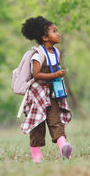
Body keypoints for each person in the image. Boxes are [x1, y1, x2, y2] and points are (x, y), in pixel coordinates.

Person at [20, 16, 72, 163]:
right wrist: (54, 74)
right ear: (45, 37)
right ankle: (36, 155)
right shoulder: (38, 55)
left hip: (53, 93)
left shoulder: (56, 53)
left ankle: (64, 147)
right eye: (54, 31)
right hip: (38, 95)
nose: (58, 34)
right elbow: (36, 74)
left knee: (56, 121)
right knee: (37, 124)